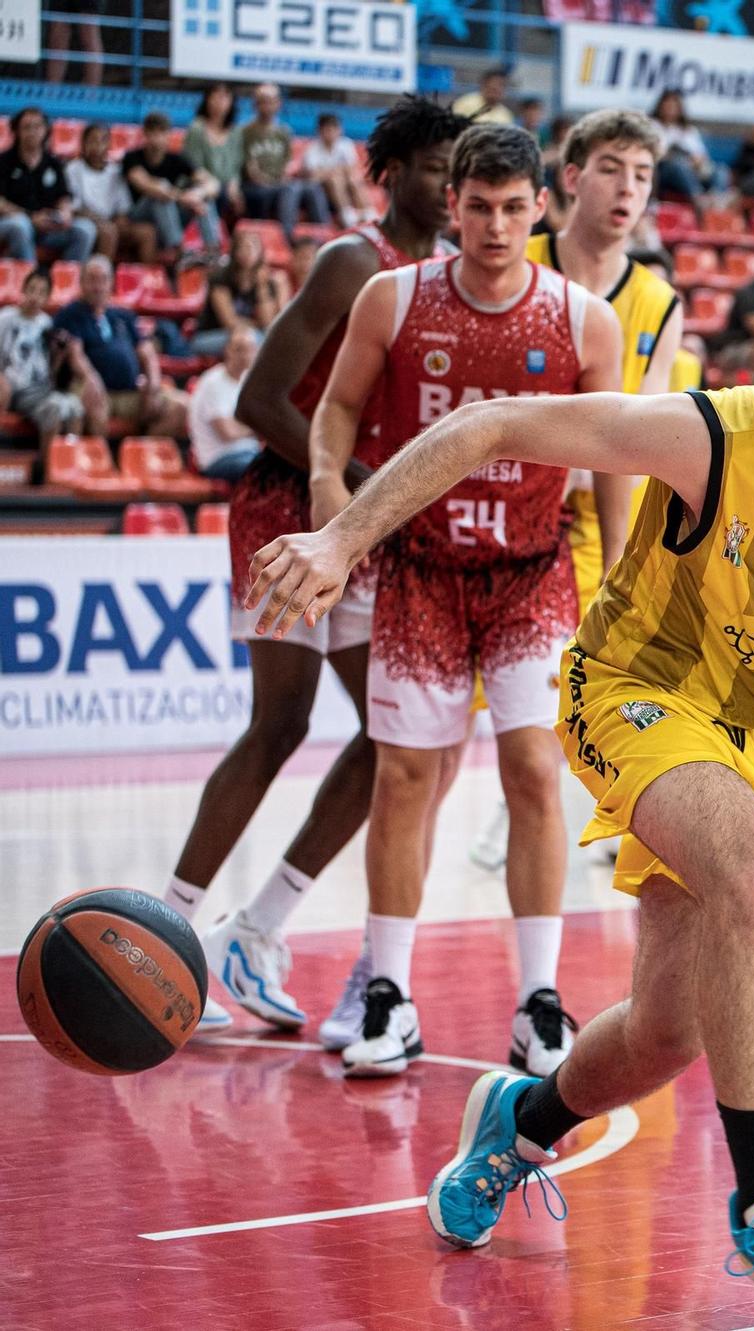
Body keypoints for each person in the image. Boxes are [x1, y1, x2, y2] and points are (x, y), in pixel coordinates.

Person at [245, 250, 754, 1330]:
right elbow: (495, 422)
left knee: (669, 1030)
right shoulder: (720, 433)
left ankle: (517, 1123)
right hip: (634, 689)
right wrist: (339, 534)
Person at [302, 124, 622, 1080]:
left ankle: (539, 1001)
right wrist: (328, 486)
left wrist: (629, 576)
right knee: (404, 777)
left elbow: (612, 457)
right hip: (419, 574)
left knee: (533, 768)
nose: (493, 224)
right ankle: (389, 995)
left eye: (512, 208)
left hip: (533, 572)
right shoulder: (391, 298)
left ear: (540, 209)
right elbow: (336, 407)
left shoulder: (582, 318)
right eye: (477, 206)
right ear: (453, 207)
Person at [162, 96, 468, 1041]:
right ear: (393, 174)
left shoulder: (454, 281)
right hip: (289, 504)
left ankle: (256, 931)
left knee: (403, 736)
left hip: (364, 521)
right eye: (432, 168)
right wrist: (358, 481)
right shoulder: (352, 261)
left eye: (460, 170)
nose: (449, 188)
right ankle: (167, 931)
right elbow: (260, 399)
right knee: (281, 723)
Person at [469, 107, 685, 872]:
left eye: (642, 174)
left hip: (596, 513)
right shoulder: (508, 253)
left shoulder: (658, 301)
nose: (628, 188)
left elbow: (645, 429)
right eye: (611, 169)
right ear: (569, 179)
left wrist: (629, 547)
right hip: (492, 502)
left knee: (598, 666)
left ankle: (567, 803)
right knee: (449, 707)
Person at [55, 256, 186, 436]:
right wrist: (92, 379)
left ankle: (140, 456)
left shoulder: (123, 315)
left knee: (179, 408)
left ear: (111, 283)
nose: (98, 286)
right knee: (92, 396)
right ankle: (101, 459)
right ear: (82, 282)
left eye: (103, 279)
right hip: (94, 388)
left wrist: (153, 385)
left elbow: (146, 353)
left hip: (128, 391)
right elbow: (75, 355)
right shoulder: (70, 314)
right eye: (92, 279)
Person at [0, 267, 103, 447]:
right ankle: (46, 469)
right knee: (54, 408)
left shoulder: (47, 324)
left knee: (74, 407)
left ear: (47, 298)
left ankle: (68, 460)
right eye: (31, 289)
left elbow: (51, 371)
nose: (34, 297)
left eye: (41, 292)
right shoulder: (5, 318)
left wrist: (60, 354)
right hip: (12, 388)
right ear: (23, 290)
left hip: (40, 389)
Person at [124, 110, 223, 262]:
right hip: (140, 215)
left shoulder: (177, 159)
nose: (157, 138)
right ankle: (178, 250)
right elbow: (145, 185)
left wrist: (198, 195)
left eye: (161, 132)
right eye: (153, 132)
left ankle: (213, 250)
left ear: (168, 134)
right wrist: (182, 197)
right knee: (160, 194)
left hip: (170, 216)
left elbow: (213, 183)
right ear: (145, 134)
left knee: (202, 199)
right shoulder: (132, 158)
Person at [0, 108, 96, 262]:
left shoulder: (54, 163)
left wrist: (64, 215)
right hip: (12, 222)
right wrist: (31, 217)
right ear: (16, 131)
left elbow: (64, 196)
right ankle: (32, 280)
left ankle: (66, 280)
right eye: (27, 127)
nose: (32, 132)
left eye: (37, 126)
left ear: (46, 130)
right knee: (20, 225)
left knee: (85, 229)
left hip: (48, 226)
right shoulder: (3, 161)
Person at [240, 83, 331, 239]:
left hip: (281, 183)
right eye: (263, 101)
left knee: (312, 187)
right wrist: (273, 181)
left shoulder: (284, 131)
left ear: (278, 104)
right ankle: (288, 238)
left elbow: (288, 164)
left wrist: (286, 177)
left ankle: (324, 238)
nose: (267, 106)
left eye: (271, 101)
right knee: (291, 189)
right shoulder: (245, 131)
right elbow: (251, 171)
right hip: (256, 186)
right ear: (255, 104)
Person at [191, 226, 290, 357]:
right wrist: (257, 326)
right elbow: (230, 322)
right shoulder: (219, 279)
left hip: (249, 335)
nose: (248, 251)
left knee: (265, 339)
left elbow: (267, 321)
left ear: (261, 252)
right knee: (258, 341)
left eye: (253, 247)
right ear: (235, 250)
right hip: (210, 336)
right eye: (243, 246)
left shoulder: (264, 281)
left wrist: (262, 287)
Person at [188, 326, 263, 480]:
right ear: (227, 350)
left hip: (249, 453)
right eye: (239, 349)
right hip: (218, 459)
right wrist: (256, 428)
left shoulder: (249, 380)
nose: (245, 355)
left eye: (250, 349)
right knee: (262, 469)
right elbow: (227, 433)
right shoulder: (212, 382)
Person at [65, 123, 131, 260]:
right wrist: (102, 222)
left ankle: (147, 279)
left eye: (103, 140)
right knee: (108, 232)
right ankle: (101, 276)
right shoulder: (73, 169)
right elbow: (75, 208)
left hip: (110, 221)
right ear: (83, 144)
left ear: (109, 145)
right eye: (93, 140)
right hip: (85, 219)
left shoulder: (116, 171)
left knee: (147, 233)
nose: (98, 146)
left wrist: (120, 221)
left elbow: (123, 209)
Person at [182, 85, 246, 224]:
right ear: (207, 100)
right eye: (215, 96)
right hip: (200, 183)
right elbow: (193, 166)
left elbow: (236, 167)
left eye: (224, 97)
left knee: (247, 196)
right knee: (218, 193)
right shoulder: (196, 128)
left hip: (227, 185)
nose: (220, 101)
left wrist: (234, 186)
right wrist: (216, 185)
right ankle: (213, 241)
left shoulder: (236, 132)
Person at [650, 90, 718, 201]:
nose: (671, 109)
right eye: (668, 105)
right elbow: (655, 153)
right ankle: (698, 198)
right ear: (660, 106)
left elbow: (701, 156)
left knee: (720, 171)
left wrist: (695, 161)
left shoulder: (689, 130)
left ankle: (717, 203)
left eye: (674, 105)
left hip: (692, 168)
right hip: (665, 169)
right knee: (679, 165)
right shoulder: (652, 125)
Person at [304, 113, 369, 228]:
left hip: (346, 184)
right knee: (334, 180)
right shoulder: (312, 149)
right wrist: (336, 172)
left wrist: (330, 171)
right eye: (328, 130)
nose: (331, 133)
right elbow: (313, 176)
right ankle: (347, 216)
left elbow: (352, 168)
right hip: (323, 190)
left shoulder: (346, 144)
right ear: (320, 131)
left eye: (334, 129)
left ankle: (367, 213)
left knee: (354, 179)